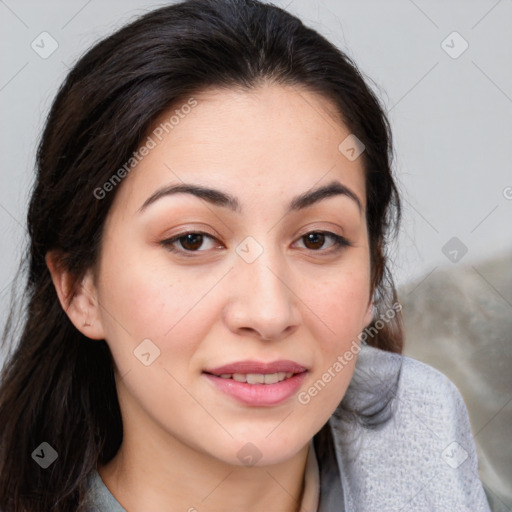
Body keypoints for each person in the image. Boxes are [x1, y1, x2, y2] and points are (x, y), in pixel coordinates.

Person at [0, 0, 491, 510]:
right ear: (79, 288)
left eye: (317, 239)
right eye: (192, 240)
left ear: (373, 279)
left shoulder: (432, 459)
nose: (268, 313)